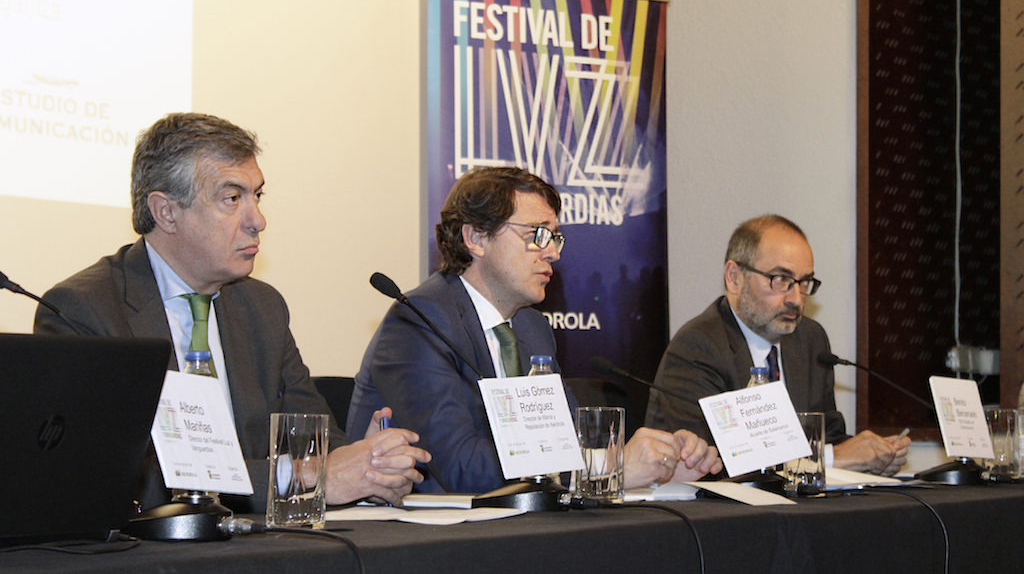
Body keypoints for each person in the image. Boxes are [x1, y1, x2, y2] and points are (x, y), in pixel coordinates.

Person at [34, 112, 429, 510]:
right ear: (166, 212)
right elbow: (121, 479)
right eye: (232, 198)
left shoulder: (262, 307)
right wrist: (299, 478)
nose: (258, 220)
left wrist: (371, 465)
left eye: (257, 195)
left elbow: (315, 442)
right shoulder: (85, 310)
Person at [347, 166, 722, 493]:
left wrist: (662, 469)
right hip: (432, 534)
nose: (553, 252)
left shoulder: (531, 327)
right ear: (476, 238)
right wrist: (608, 467)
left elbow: (567, 444)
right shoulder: (420, 320)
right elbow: (462, 468)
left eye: (554, 237)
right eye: (537, 233)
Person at [645, 214, 911, 476]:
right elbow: (711, 463)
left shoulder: (810, 340)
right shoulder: (698, 346)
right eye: (781, 279)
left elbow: (827, 436)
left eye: (804, 282)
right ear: (734, 277)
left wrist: (872, 455)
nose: (796, 299)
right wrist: (833, 458)